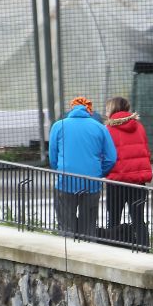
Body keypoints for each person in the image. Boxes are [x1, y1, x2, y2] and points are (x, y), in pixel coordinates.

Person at [49, 96, 116, 240]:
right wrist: (99, 173)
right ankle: (88, 248)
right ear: (89, 110)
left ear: (71, 108)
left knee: (66, 227)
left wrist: (59, 170)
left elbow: (53, 158)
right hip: (91, 183)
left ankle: (68, 251)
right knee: (88, 227)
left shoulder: (58, 126)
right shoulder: (100, 127)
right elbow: (111, 158)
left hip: (65, 181)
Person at [103, 96, 153, 250]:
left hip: (116, 181)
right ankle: (144, 249)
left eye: (107, 109)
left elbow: (105, 155)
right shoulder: (139, 127)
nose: (106, 112)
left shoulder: (108, 130)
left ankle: (114, 248)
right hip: (137, 180)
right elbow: (146, 150)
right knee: (138, 218)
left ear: (113, 109)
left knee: (113, 219)